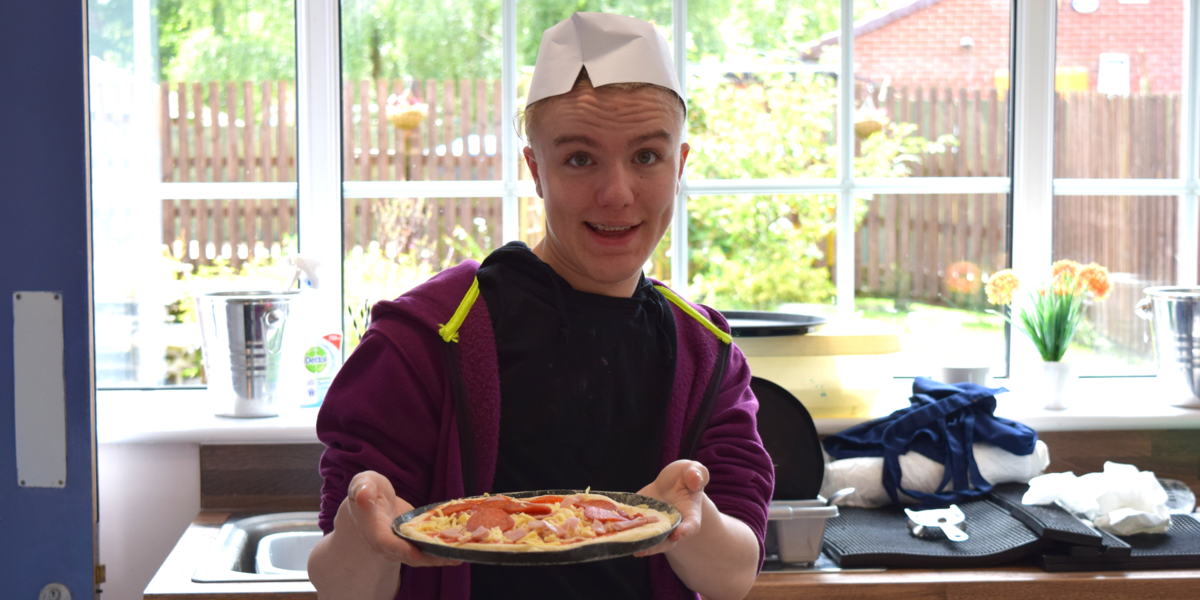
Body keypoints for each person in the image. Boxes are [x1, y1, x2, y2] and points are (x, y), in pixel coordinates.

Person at [306, 12, 774, 600]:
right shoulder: (426, 336)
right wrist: (362, 517)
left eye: (647, 157)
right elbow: (341, 587)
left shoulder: (706, 353)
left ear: (679, 166)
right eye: (580, 158)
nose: (617, 193)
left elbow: (732, 577)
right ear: (536, 170)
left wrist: (687, 512)